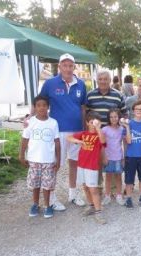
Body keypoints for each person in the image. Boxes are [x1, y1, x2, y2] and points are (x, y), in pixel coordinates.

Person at [38, 53, 87, 210]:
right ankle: (51, 198)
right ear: (59, 67)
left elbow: (83, 107)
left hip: (76, 131)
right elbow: (39, 103)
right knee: (55, 164)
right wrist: (31, 118)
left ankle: (73, 194)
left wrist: (84, 128)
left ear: (74, 67)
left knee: (74, 163)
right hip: (57, 132)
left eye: (70, 65)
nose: (67, 68)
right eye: (64, 65)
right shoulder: (50, 83)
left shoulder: (81, 84)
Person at [20, 95, 61, 219]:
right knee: (35, 184)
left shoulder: (53, 123)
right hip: (33, 160)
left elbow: (57, 142)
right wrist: (21, 155)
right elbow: (24, 139)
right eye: (38, 105)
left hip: (48, 160)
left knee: (47, 185)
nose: (41, 108)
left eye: (44, 105)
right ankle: (35, 204)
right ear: (35, 107)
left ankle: (47, 205)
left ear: (48, 107)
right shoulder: (30, 122)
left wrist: (58, 159)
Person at [87, 70, 127, 188]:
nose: (103, 81)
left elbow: (124, 113)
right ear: (97, 80)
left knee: (114, 159)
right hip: (96, 134)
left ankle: (114, 189)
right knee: (97, 160)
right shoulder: (90, 95)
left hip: (113, 135)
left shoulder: (118, 95)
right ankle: (98, 185)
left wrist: (121, 127)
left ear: (110, 80)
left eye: (106, 79)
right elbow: (87, 114)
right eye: (100, 79)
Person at [66, 111, 106, 224]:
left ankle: (99, 212)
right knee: (85, 186)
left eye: (96, 122)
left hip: (92, 166)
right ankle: (91, 206)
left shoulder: (99, 135)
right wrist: (78, 141)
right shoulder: (83, 134)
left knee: (93, 189)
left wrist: (98, 129)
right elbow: (69, 137)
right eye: (91, 122)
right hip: (81, 165)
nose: (93, 124)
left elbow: (103, 141)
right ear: (87, 123)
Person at [123, 100, 141, 208]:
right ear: (133, 111)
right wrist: (127, 127)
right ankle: (129, 198)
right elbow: (129, 141)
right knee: (129, 179)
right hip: (131, 156)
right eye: (137, 109)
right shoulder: (129, 123)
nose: (139, 111)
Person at [101, 109, 126, 206]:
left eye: (115, 116)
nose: (113, 119)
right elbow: (102, 144)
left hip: (118, 157)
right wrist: (104, 157)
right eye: (111, 117)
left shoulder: (122, 129)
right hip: (108, 157)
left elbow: (123, 144)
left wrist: (123, 158)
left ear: (119, 117)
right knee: (108, 177)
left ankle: (119, 195)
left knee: (118, 177)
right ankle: (107, 195)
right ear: (108, 118)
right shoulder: (105, 129)